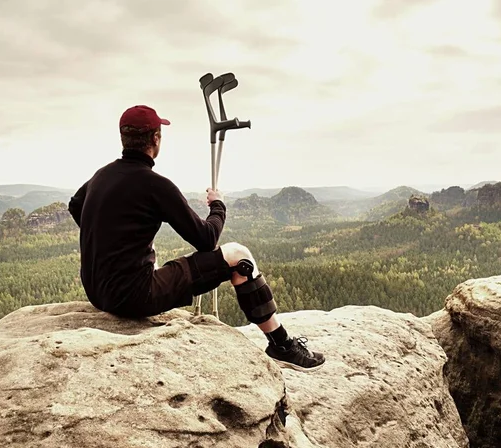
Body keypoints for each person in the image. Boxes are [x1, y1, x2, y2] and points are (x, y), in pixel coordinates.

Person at [68, 104, 325, 372]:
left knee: (163, 265)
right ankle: (282, 345)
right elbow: (206, 239)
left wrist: (111, 242)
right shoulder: (156, 185)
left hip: (97, 291)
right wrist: (218, 206)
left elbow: (76, 205)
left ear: (123, 139)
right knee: (239, 257)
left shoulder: (101, 175)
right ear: (156, 139)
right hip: (133, 297)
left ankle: (281, 345)